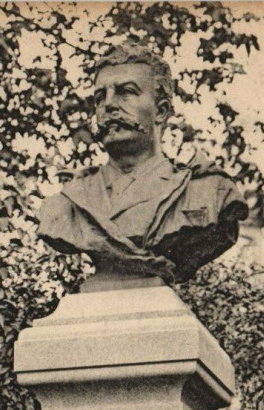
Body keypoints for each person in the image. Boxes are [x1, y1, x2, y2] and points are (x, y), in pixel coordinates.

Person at [37, 43, 248, 283]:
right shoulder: (67, 203)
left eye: (125, 92)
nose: (109, 105)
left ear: (161, 111)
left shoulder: (208, 192)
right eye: (99, 97)